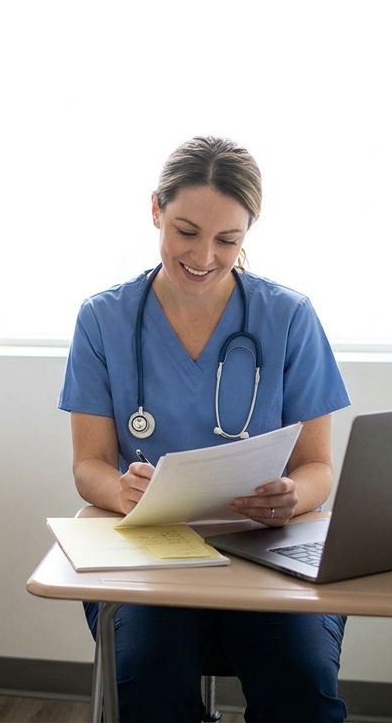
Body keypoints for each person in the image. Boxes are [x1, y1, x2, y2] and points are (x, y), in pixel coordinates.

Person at [59, 136, 352, 722]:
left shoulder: (288, 317)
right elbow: (89, 464)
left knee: (301, 686)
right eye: (186, 231)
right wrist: (122, 491)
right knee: (149, 682)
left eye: (228, 240)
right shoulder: (103, 319)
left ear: (248, 234)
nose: (204, 256)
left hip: (267, 550)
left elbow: (317, 466)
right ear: (155, 210)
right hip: (149, 550)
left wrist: (294, 497)